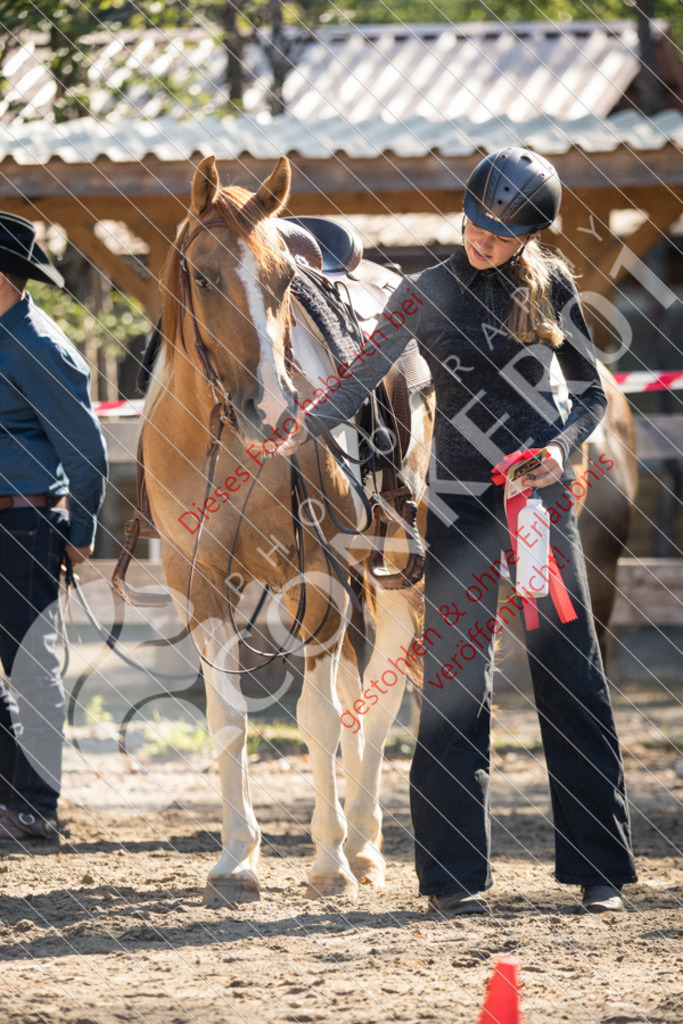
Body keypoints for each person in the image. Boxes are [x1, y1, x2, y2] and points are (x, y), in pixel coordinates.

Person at [304, 148, 636, 915]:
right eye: (475, 222)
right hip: (454, 512)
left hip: (538, 510)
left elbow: (587, 389)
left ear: (528, 235)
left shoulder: (551, 284)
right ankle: (453, 878)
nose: (481, 238)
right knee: (453, 691)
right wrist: (297, 429)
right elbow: (357, 379)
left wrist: (559, 448)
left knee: (571, 681)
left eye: (499, 231)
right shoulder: (423, 291)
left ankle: (598, 872)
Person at [0, 213, 107, 848]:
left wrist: (81, 529)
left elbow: (86, 449)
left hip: (27, 522)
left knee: (31, 668)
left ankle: (37, 807)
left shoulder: (38, 344)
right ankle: (10, 798)